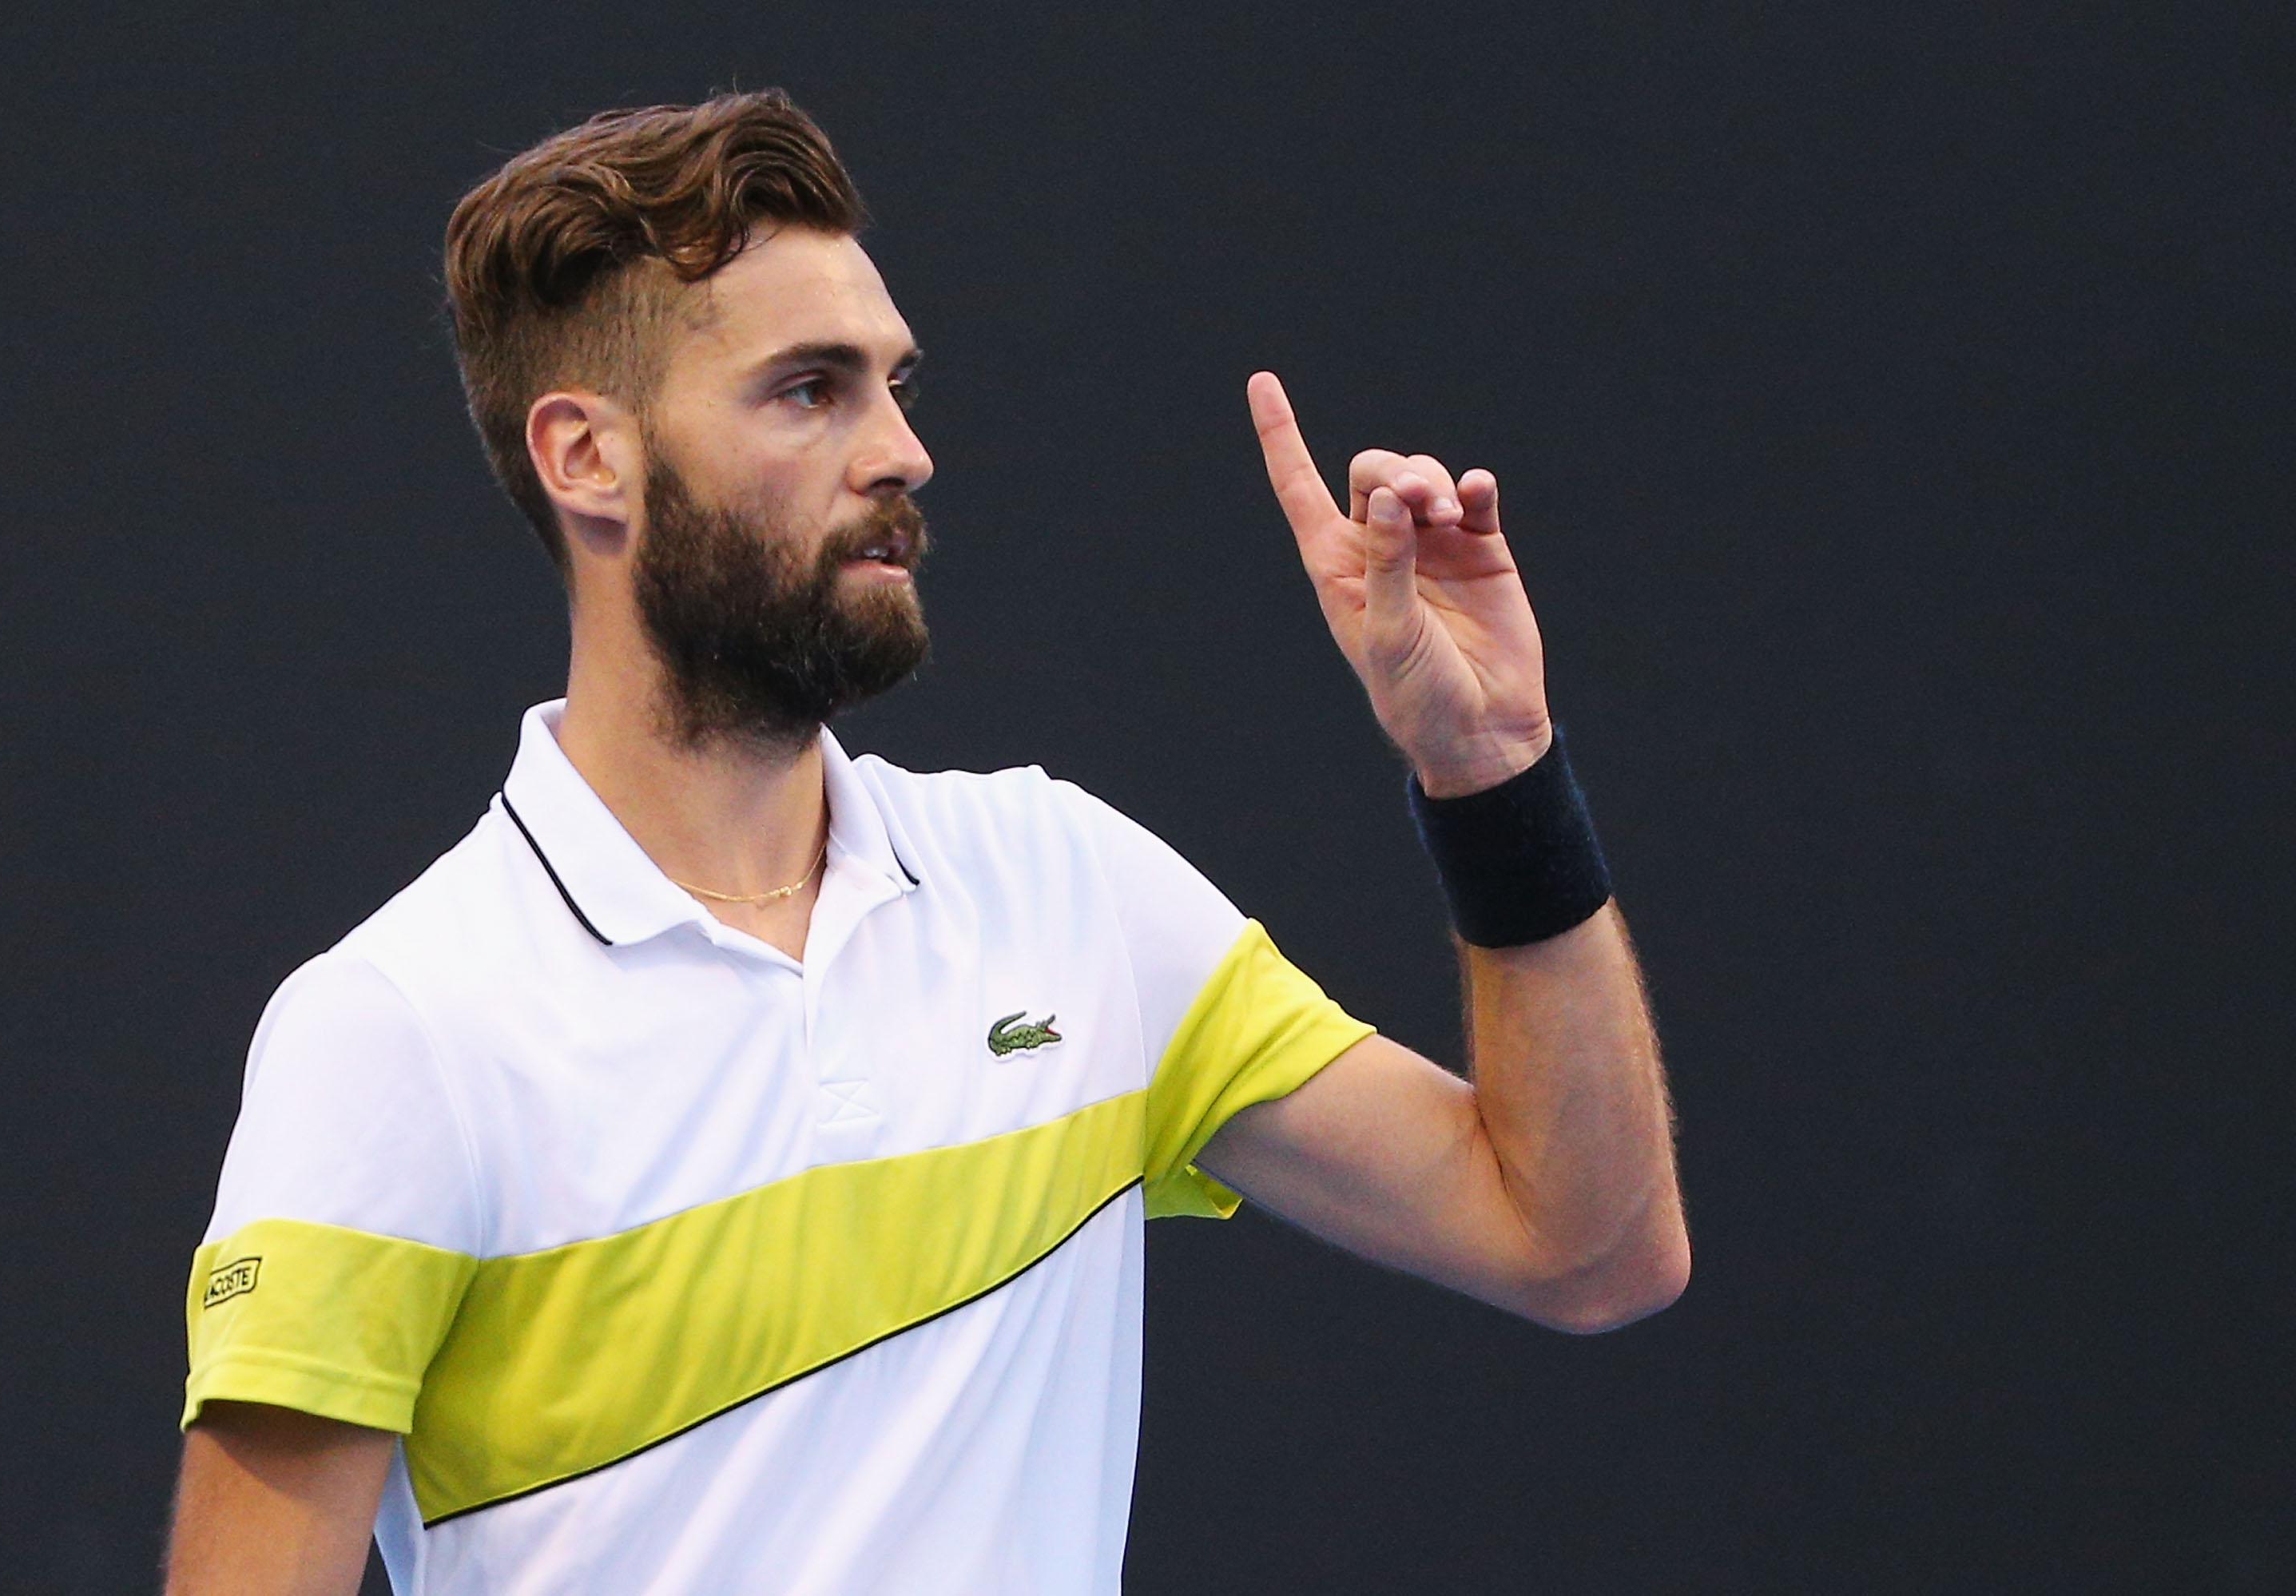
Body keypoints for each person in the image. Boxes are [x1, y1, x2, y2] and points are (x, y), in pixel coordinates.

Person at [161, 90, 1687, 1596]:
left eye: (897, 385)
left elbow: (1584, 1245)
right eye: (810, 389)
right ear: (588, 460)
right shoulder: (394, 1031)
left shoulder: (1068, 888)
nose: (904, 450)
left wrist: (1492, 771)